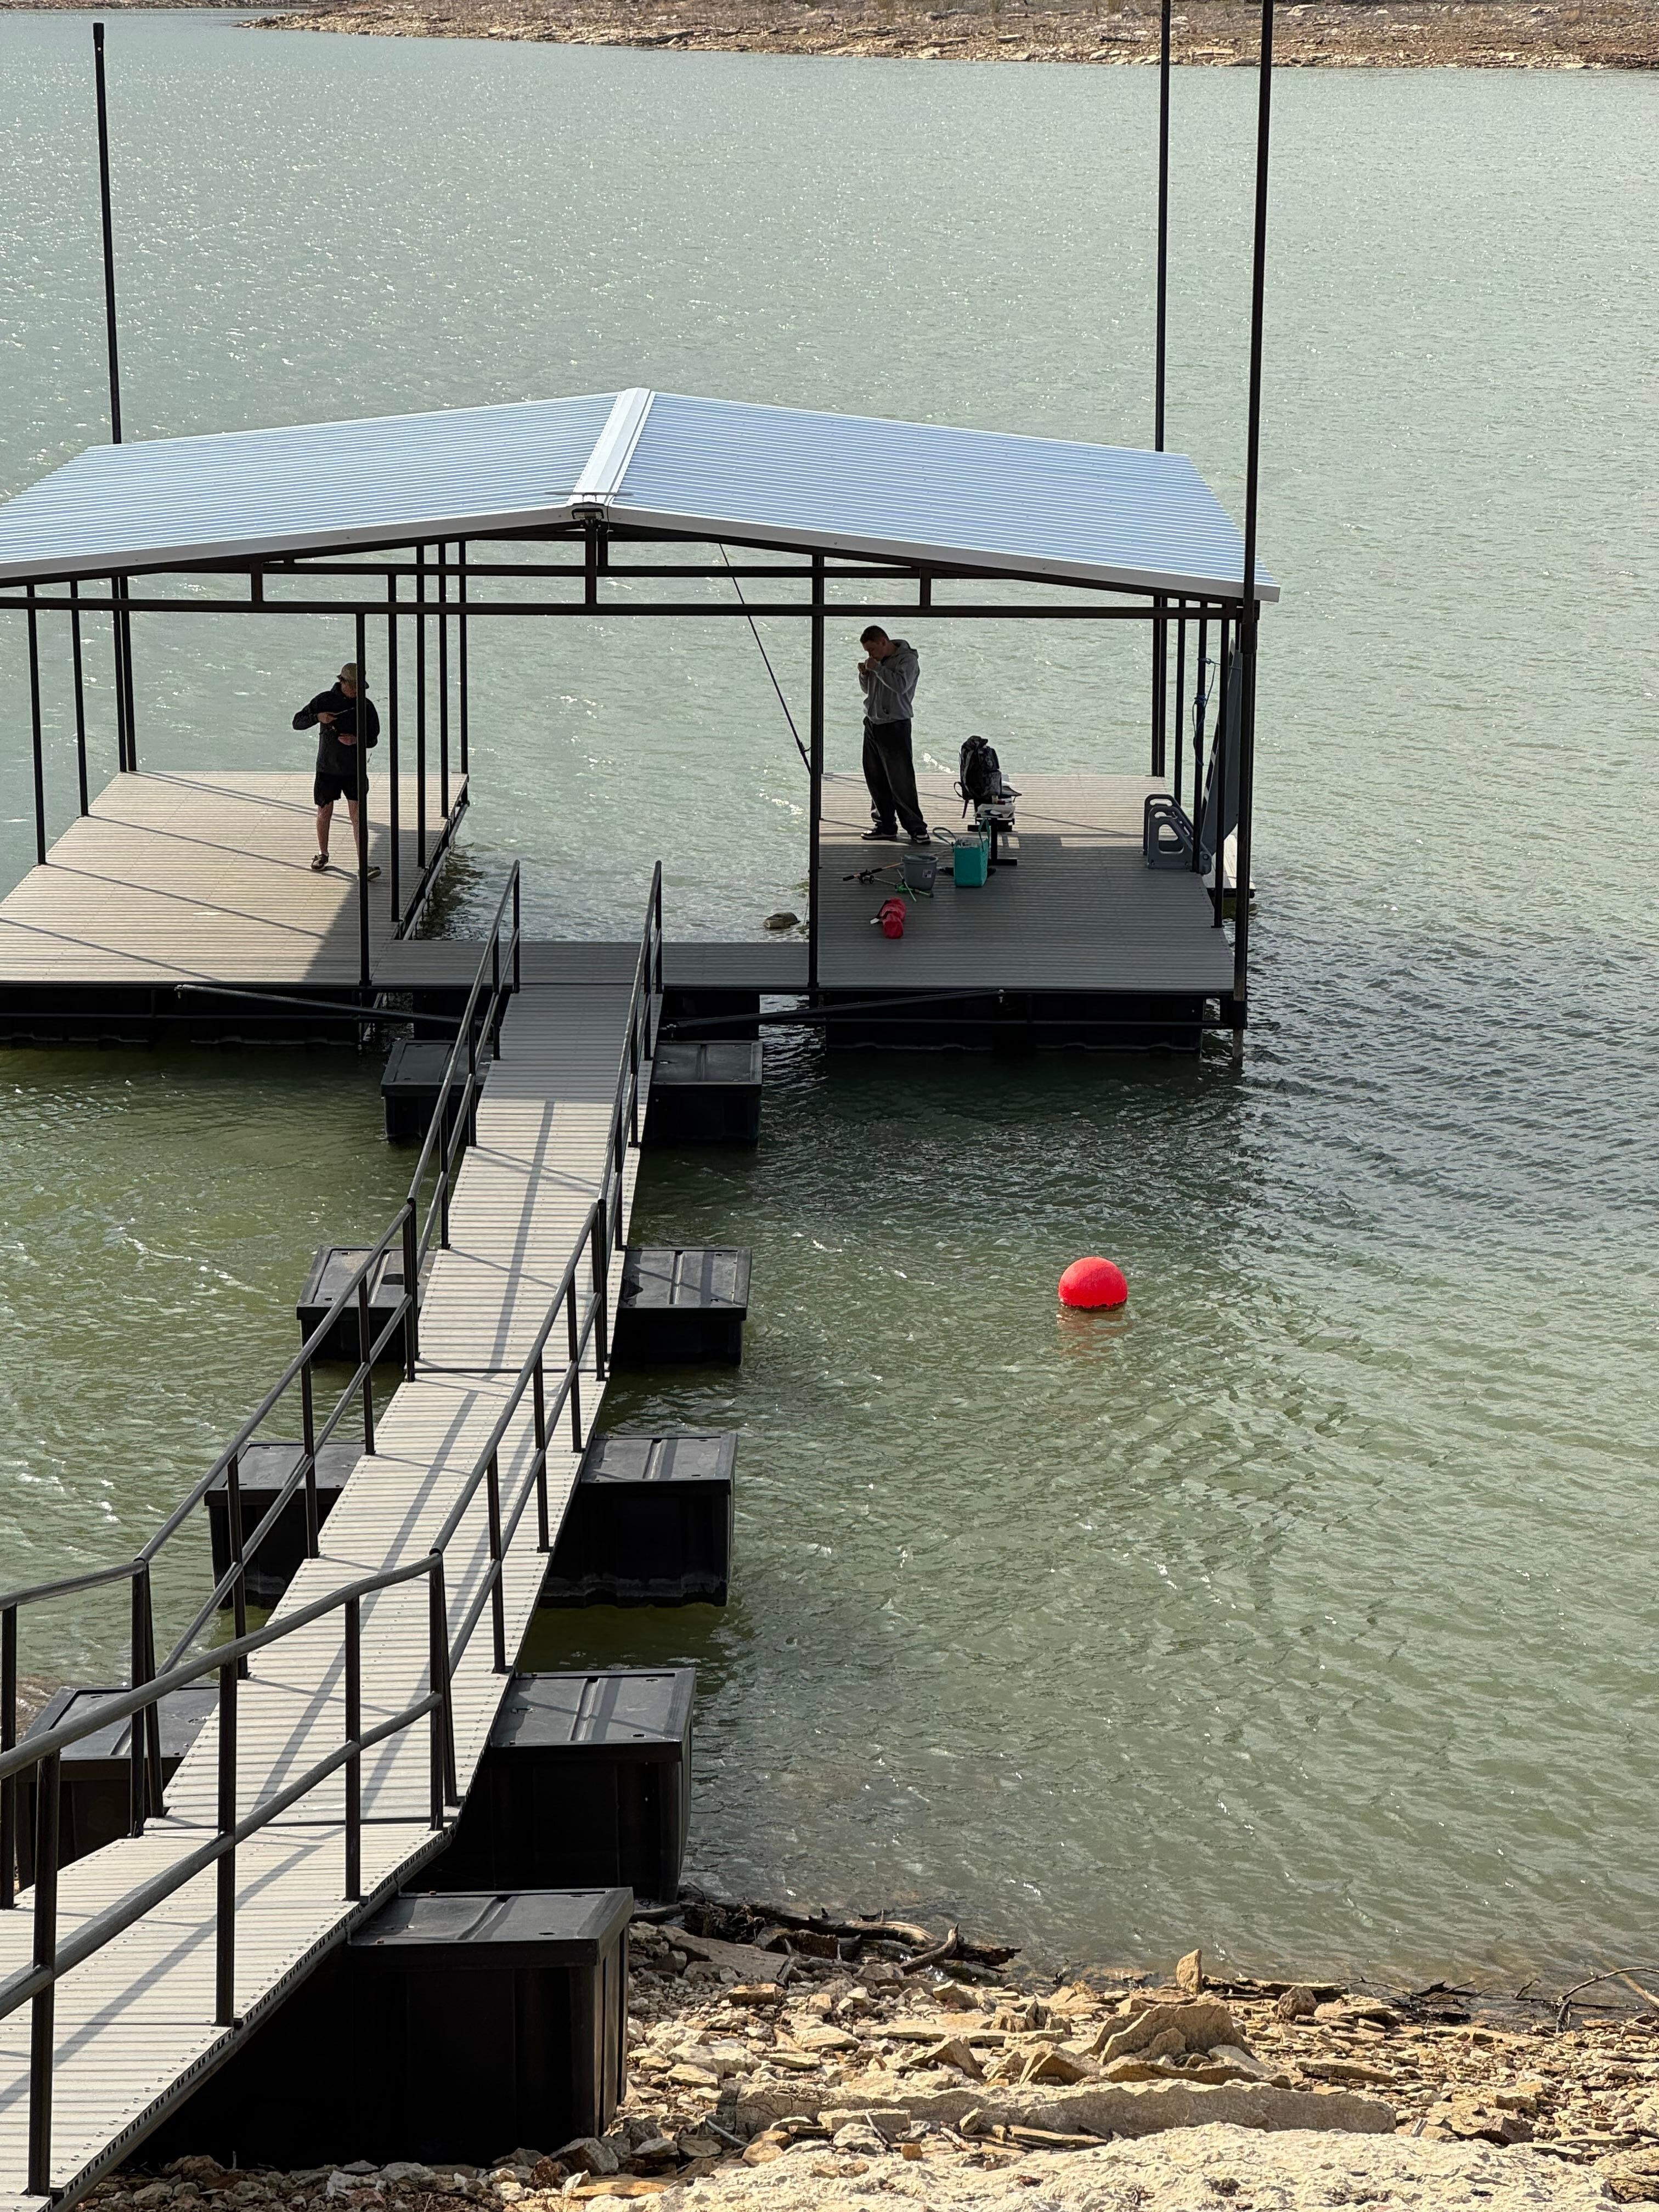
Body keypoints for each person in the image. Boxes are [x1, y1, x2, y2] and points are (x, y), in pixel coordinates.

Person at [294, 662, 381, 876]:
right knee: (325, 812)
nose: (357, 690)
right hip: (327, 768)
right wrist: (318, 718)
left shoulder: (367, 706)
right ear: (341, 682)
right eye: (353, 685)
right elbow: (297, 722)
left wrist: (357, 740)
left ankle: (363, 864)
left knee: (358, 815)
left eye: (360, 686)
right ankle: (322, 854)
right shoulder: (324, 700)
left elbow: (374, 739)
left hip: (354, 770)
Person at [857, 626, 928, 844]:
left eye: (871, 650)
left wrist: (877, 668)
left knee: (901, 780)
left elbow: (901, 686)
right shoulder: (878, 663)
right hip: (873, 724)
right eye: (867, 652)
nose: (870, 655)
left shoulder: (907, 661)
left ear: (883, 642)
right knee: (875, 777)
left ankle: (917, 828)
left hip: (895, 725)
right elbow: (868, 690)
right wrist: (864, 674)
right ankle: (885, 824)